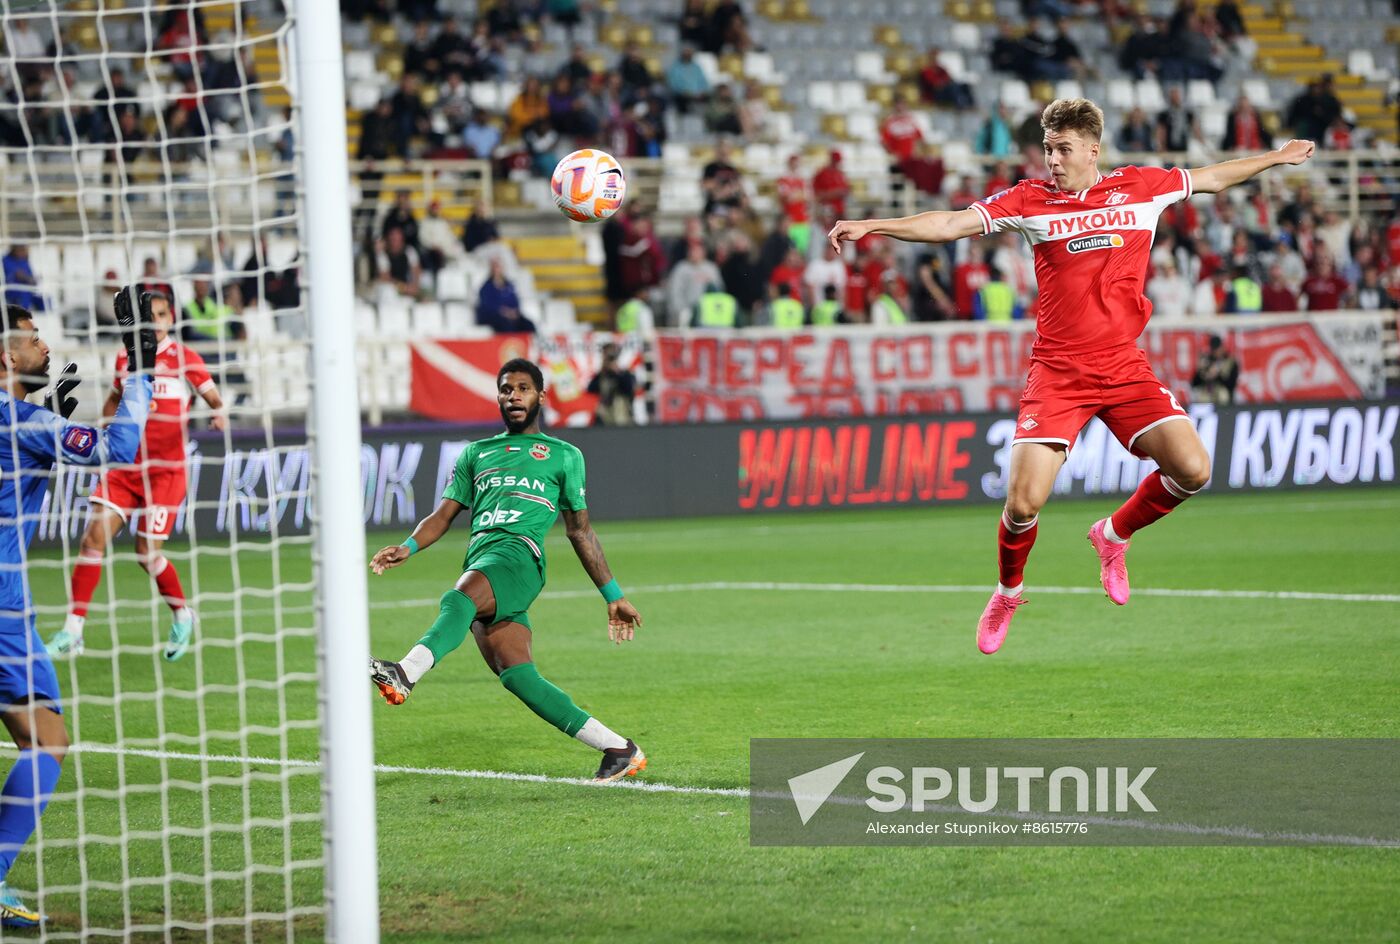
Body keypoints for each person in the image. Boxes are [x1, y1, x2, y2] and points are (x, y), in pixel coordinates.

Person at [827, 97, 1316, 654]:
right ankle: (1008, 591)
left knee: (1194, 469)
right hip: (1058, 371)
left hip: (1123, 365)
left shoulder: (1143, 187)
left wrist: (1276, 157)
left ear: (1092, 149)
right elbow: (949, 223)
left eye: (1063, 150)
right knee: (1023, 504)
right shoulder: (1029, 200)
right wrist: (874, 225)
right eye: (1048, 149)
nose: (1053, 161)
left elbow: (1213, 177)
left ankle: (1113, 535)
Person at [368, 359, 646, 782]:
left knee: (459, 597)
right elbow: (442, 515)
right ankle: (618, 748)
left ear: (540, 397)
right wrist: (407, 546)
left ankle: (405, 672)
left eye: (522, 388)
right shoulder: (477, 454)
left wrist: (613, 596)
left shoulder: (564, 456)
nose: (513, 395)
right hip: (483, 556)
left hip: (520, 557)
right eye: (505, 389)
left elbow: (580, 532)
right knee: (517, 675)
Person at [0, 297, 154, 927]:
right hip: (3, 612)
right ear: (7, 354)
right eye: (35, 341)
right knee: (47, 738)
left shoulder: (29, 422)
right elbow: (120, 445)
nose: (45, 349)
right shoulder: (23, 424)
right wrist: (141, 366)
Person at [48, 292, 226, 659]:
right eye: (151, 315)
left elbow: (214, 398)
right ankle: (73, 631)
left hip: (165, 474)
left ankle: (181, 614)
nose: (156, 321)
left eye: (161, 314)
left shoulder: (185, 358)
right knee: (92, 539)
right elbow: (116, 398)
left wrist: (218, 413)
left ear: (171, 316)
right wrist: (104, 426)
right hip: (126, 466)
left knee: (145, 554)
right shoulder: (125, 357)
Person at [476, 258, 534, 333]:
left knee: (528, 324)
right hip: (493, 316)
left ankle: (529, 343)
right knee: (506, 324)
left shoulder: (509, 285)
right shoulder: (486, 287)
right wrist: (503, 312)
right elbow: (487, 305)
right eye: (495, 266)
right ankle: (508, 343)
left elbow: (515, 301)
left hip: (509, 315)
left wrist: (514, 312)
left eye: (499, 266)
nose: (497, 269)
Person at [587, 342, 639, 425]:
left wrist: (617, 372)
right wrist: (602, 371)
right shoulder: (601, 376)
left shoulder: (625, 374)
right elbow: (590, 390)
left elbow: (628, 389)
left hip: (622, 417)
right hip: (605, 417)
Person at [1190, 334, 1239, 405]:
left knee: (1223, 395)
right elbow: (1195, 383)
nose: (1216, 351)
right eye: (1214, 349)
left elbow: (1232, 384)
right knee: (1203, 398)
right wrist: (1202, 372)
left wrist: (1218, 375)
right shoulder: (1207, 360)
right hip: (1208, 391)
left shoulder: (1230, 361)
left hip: (1223, 392)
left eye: (1218, 348)